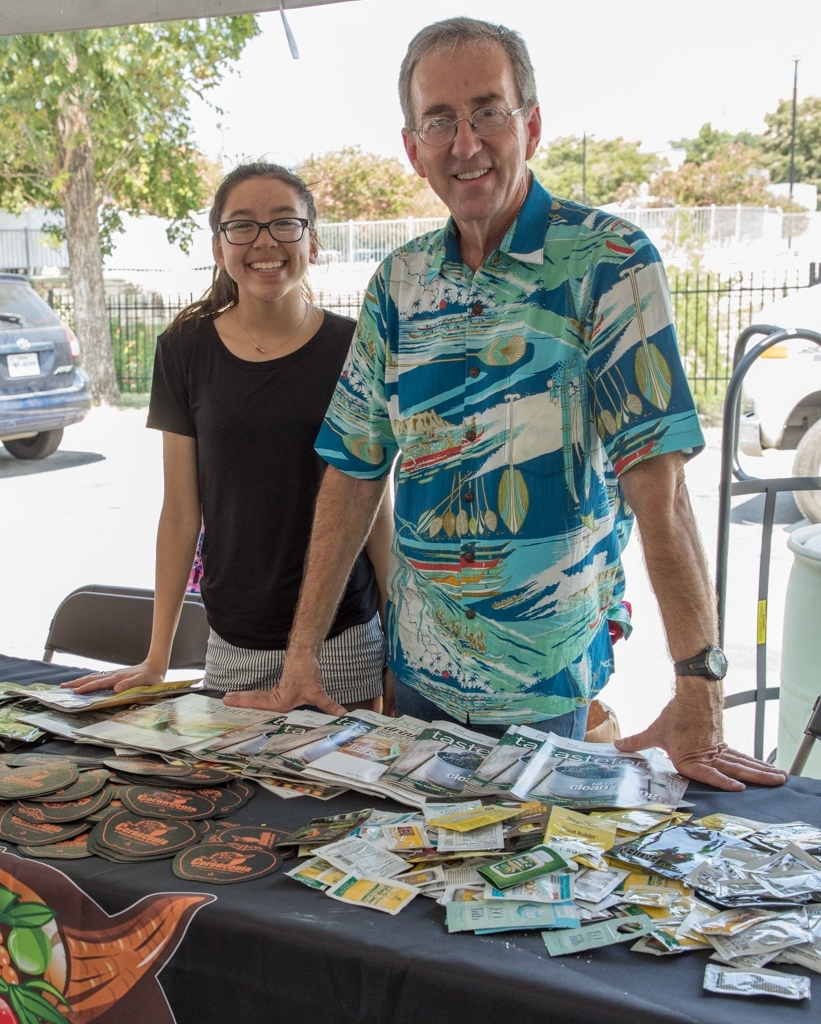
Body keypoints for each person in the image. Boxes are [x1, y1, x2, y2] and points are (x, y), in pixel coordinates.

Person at [225, 21, 786, 792]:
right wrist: (301, 659)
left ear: (531, 123)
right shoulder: (399, 281)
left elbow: (662, 493)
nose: (465, 145)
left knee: (523, 897)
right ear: (410, 145)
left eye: (488, 111)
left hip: (545, 685)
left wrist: (700, 685)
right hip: (416, 674)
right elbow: (354, 472)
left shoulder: (609, 263)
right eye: (439, 120)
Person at [64, 161, 390, 708]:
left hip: (343, 639)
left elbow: (374, 507)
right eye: (242, 225)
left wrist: (396, 651)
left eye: (285, 222)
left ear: (312, 240)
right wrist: (156, 656)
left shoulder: (354, 348)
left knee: (331, 796)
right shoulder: (184, 350)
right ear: (219, 246)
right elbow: (180, 513)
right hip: (233, 641)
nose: (265, 241)